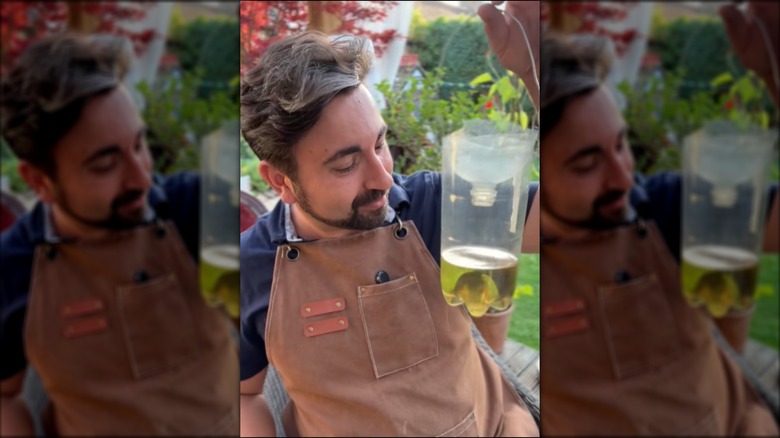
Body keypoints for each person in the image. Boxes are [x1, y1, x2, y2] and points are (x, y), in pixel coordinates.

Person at [238, 1, 541, 436]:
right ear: (280, 181)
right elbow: (245, 393)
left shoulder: (432, 206)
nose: (384, 177)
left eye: (379, 144)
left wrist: (540, 78)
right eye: (346, 165)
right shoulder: (250, 267)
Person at [537, 3, 779, 434]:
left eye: (621, 145)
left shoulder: (667, 207)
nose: (624, 176)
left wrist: (774, 75)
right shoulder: (523, 236)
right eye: (586, 164)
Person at [0, 33, 239, 436]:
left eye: (139, 144)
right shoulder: (13, 267)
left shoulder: (200, 209)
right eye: (105, 164)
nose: (141, 176)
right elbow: (5, 395)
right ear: (39, 181)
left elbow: (258, 336)